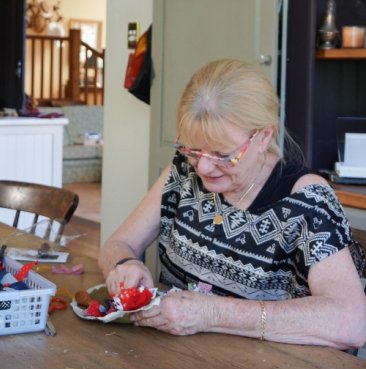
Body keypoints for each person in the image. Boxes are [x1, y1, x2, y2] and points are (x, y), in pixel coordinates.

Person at [98, 59, 366, 350]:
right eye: (193, 150)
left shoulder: (306, 201)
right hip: (176, 357)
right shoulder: (184, 172)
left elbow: (352, 322)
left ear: (264, 136)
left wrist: (212, 314)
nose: (203, 168)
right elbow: (119, 243)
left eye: (222, 155)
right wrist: (124, 265)